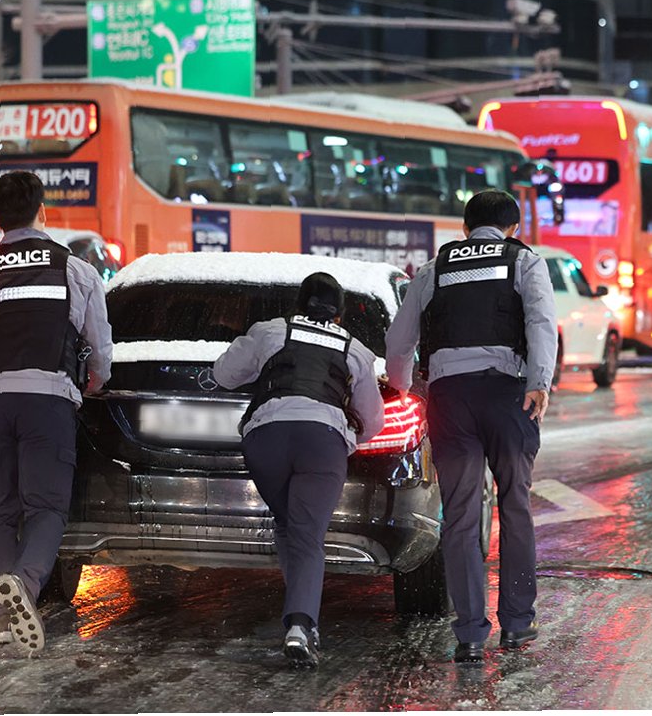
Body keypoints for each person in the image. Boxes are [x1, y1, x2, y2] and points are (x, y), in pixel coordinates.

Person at [0, 171, 112, 657]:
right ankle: (25, 583)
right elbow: (100, 349)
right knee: (47, 508)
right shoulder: (75, 271)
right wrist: (94, 383)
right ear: (42, 212)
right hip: (47, 401)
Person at [384, 189, 557, 663]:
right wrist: (540, 384)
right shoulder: (524, 261)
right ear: (513, 228)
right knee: (515, 504)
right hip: (508, 397)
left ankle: (470, 634)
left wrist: (405, 387)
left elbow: (399, 342)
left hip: (450, 400)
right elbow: (542, 323)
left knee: (459, 516)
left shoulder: (433, 270)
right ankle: (517, 624)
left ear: (464, 229)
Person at [212, 272, 384, 668]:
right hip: (321, 443)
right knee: (306, 534)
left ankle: (301, 617)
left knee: (291, 525)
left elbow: (224, 374)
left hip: (266, 441)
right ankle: (300, 626)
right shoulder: (355, 350)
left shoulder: (270, 331)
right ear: (339, 315)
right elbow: (373, 421)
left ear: (298, 305)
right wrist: (346, 436)